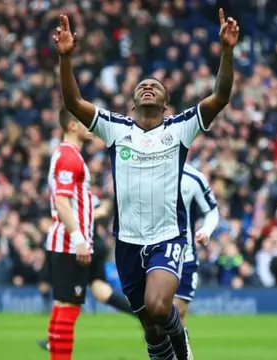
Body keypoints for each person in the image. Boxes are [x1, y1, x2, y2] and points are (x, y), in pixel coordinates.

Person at [53, 8, 238, 360]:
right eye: (142, 86)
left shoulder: (179, 128)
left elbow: (220, 98)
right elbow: (73, 102)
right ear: (132, 101)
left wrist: (226, 52)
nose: (148, 86)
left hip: (167, 237)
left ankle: (183, 347)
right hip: (126, 242)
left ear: (166, 104)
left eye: (155, 86)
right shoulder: (116, 129)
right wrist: (66, 59)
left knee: (157, 306)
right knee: (151, 330)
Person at [37, 189, 134, 353]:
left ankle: (56, 338)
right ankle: (144, 315)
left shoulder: (78, 196)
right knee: (100, 291)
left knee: (68, 296)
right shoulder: (81, 195)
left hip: (85, 247)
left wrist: (80, 219)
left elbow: (102, 210)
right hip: (91, 245)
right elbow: (103, 208)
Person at [174, 163, 220, 358]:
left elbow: (212, 210)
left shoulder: (193, 177)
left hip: (185, 257)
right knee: (159, 317)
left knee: (176, 313)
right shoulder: (147, 169)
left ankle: (184, 356)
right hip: (152, 254)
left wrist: (206, 231)